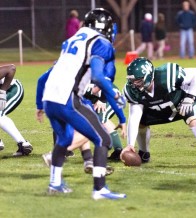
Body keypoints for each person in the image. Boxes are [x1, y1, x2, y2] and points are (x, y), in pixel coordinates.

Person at [35, 8, 127, 200]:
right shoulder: (100, 42)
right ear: (105, 27)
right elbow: (98, 77)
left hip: (50, 97)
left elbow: (47, 76)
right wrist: (114, 96)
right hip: (68, 97)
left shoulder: (72, 39)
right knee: (103, 139)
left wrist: (39, 105)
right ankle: (99, 189)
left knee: (64, 140)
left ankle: (55, 183)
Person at [121, 57, 196, 167]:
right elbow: (134, 117)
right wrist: (130, 144)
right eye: (132, 80)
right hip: (167, 108)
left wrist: (190, 97)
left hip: (190, 99)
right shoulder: (131, 90)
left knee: (193, 119)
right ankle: (144, 153)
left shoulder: (167, 74)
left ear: (148, 75)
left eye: (138, 80)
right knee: (141, 121)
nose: (134, 84)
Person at [0, 64, 33, 156]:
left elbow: (11, 68)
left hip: (13, 89)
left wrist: (2, 92)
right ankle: (23, 144)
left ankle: (23, 144)